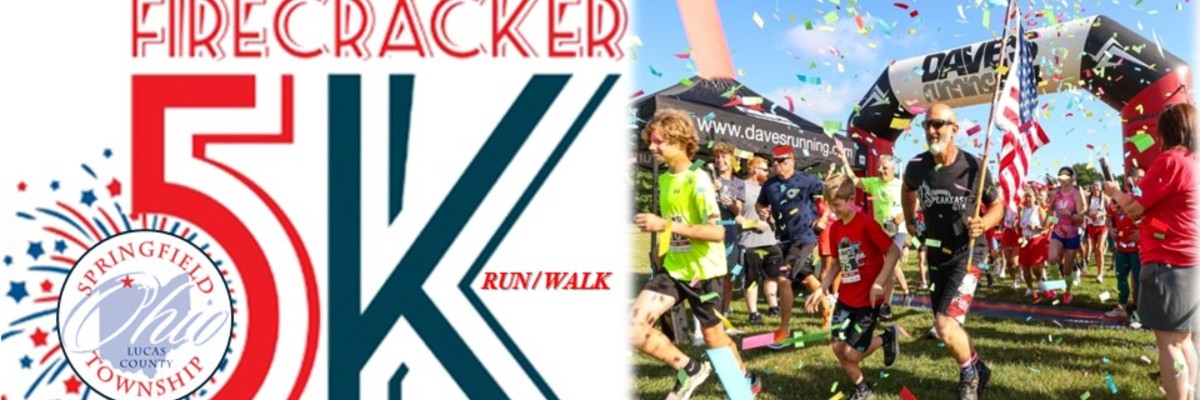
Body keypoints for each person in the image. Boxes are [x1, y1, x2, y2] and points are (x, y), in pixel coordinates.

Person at [631, 109, 760, 399]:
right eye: (650, 141)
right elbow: (674, 223)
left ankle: (744, 383)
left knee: (715, 339)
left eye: (658, 141)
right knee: (633, 327)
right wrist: (661, 250)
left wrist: (664, 225)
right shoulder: (665, 179)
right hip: (673, 269)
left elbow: (716, 232)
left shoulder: (698, 179)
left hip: (704, 273)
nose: (651, 147)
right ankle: (690, 369)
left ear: (679, 141)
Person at [901, 103, 1000, 399]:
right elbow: (907, 189)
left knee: (944, 326)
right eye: (927, 125)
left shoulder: (973, 166)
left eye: (939, 124)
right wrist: (909, 220)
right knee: (949, 325)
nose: (932, 131)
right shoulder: (916, 165)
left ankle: (969, 378)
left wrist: (983, 223)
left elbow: (997, 205)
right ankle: (979, 367)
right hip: (936, 255)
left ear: (954, 129)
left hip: (967, 254)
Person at [1104, 103, 1199, 400]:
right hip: (1189, 261)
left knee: (1170, 343)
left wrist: (1114, 192)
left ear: (1166, 132)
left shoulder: (1171, 160)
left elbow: (1134, 207)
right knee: (1184, 339)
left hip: (1168, 262)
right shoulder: (1193, 161)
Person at [806, 172, 902, 400]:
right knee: (838, 348)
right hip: (846, 300)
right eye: (830, 205)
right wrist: (821, 289)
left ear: (851, 200)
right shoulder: (836, 229)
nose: (833, 211)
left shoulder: (867, 224)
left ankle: (886, 338)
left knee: (852, 353)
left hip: (868, 301)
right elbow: (837, 264)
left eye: (837, 205)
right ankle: (862, 389)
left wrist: (879, 282)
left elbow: (893, 251)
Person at [757, 144, 833, 343]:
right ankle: (827, 307)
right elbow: (760, 204)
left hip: (805, 236)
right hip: (783, 238)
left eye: (781, 160)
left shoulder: (807, 180)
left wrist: (823, 218)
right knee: (805, 277)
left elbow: (829, 195)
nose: (776, 165)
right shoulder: (769, 185)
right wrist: (761, 211)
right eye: (774, 161)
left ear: (791, 161)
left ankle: (784, 329)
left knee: (784, 278)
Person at [854, 154, 913, 319]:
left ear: (893, 169)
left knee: (891, 265)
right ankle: (905, 292)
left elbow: (915, 202)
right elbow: (854, 181)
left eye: (885, 168)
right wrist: (844, 159)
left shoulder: (901, 185)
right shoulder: (874, 182)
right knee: (885, 266)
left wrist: (903, 215)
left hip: (898, 230)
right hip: (881, 230)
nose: (881, 171)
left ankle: (886, 305)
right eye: (879, 167)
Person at [737, 156, 783, 325]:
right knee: (752, 279)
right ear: (755, 170)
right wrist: (754, 223)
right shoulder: (741, 187)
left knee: (773, 275)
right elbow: (736, 217)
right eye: (764, 169)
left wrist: (772, 218)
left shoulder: (768, 188)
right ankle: (753, 313)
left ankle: (773, 307)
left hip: (770, 240)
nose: (768, 173)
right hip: (750, 242)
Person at [1105, 168, 1144, 319]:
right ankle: (1121, 307)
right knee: (1121, 277)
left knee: (1139, 279)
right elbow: (1109, 216)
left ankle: (1140, 310)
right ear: (1128, 178)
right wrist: (1110, 228)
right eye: (1136, 177)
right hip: (1121, 246)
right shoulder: (1118, 197)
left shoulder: (1144, 197)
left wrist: (1142, 232)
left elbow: (1152, 219)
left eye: (1142, 177)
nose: (1139, 179)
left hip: (1139, 247)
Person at [1048, 167, 1087, 296]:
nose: (1063, 179)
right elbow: (1050, 211)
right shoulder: (1055, 193)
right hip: (1058, 231)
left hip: (1072, 233)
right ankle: (1054, 285)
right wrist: (1051, 221)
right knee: (1052, 258)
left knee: (1067, 269)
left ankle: (1067, 292)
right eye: (1061, 176)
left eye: (1066, 176)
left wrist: (1069, 214)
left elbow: (1081, 218)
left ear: (1072, 179)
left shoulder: (1076, 194)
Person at [1018, 186, 1051, 297]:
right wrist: (1016, 224)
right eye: (1026, 196)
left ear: (1035, 197)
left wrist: (1036, 227)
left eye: (1030, 196)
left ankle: (1041, 282)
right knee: (1025, 266)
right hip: (1024, 240)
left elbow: (1047, 225)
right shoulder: (1021, 210)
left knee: (1036, 266)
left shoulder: (1039, 209)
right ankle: (1029, 288)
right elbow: (1019, 223)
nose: (1028, 198)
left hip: (1037, 239)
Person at [1084, 181, 1110, 283]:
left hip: (1102, 225)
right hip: (1091, 225)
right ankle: (1099, 272)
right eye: (1093, 186)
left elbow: (1110, 210)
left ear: (1100, 188)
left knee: (1099, 248)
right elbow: (1084, 210)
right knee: (1095, 250)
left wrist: (1101, 214)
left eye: (1097, 186)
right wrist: (1090, 215)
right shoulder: (1088, 198)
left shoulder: (1105, 198)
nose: (1095, 188)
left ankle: (1100, 274)